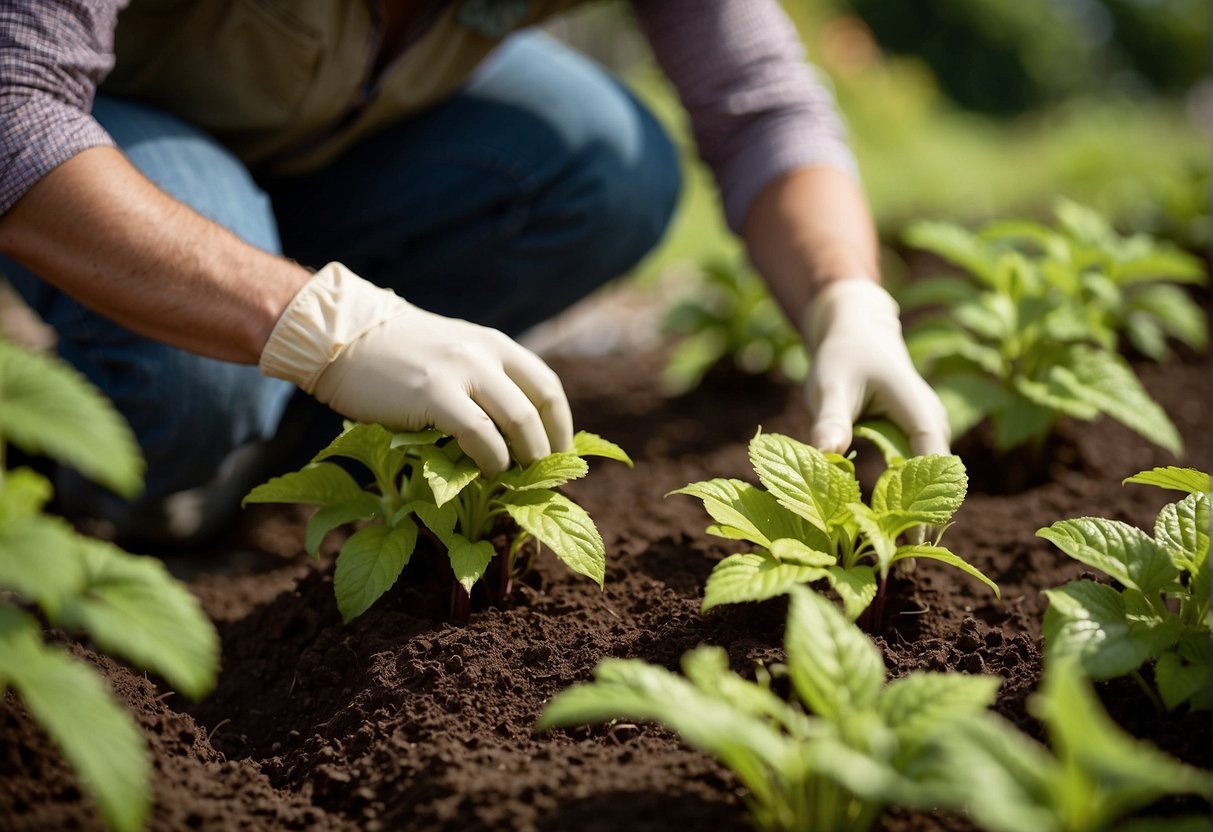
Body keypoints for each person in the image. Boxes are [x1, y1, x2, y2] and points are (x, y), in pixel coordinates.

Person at [0, 0, 949, 546]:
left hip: (348, 134)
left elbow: (762, 111)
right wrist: (319, 323)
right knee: (186, 392)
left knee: (607, 163)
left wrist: (846, 300)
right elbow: (15, 101)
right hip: (107, 128)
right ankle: (105, 469)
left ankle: (289, 447)